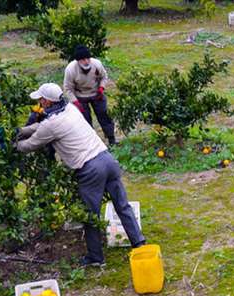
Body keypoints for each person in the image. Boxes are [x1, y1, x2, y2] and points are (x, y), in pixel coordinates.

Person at [15, 83, 145, 266]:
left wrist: (12, 144)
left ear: (46, 101)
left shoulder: (52, 124)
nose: (39, 102)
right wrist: (22, 131)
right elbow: (41, 126)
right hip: (107, 159)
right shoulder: (69, 109)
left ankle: (95, 257)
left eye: (40, 99)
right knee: (122, 205)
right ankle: (139, 243)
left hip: (91, 169)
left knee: (90, 215)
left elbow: (30, 145)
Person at [63, 45, 116, 146]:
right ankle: (92, 144)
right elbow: (68, 88)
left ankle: (111, 139)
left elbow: (104, 76)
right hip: (80, 97)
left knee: (104, 116)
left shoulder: (96, 64)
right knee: (85, 122)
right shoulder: (70, 69)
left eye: (88, 58)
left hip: (97, 94)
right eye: (83, 59)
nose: (86, 61)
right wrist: (75, 102)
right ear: (78, 60)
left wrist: (101, 88)